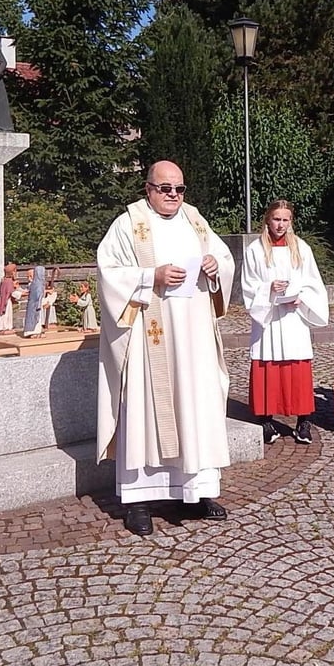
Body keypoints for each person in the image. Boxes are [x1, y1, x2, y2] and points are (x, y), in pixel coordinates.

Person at [96, 161, 235, 537]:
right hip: (149, 337)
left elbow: (224, 258)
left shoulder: (195, 220)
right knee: (144, 413)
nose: (173, 195)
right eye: (165, 188)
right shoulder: (128, 224)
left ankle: (196, 492)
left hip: (194, 339)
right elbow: (107, 271)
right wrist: (150, 277)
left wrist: (214, 265)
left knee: (196, 408)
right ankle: (138, 501)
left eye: (179, 188)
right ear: (148, 189)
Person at [241, 200, 329, 446]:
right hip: (268, 319)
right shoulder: (256, 250)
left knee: (297, 369)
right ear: (268, 219)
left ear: (291, 221)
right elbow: (248, 285)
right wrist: (269, 289)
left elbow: (314, 284)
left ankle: (303, 421)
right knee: (267, 366)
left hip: (293, 318)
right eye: (276, 219)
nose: (280, 225)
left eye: (285, 220)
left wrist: (301, 298)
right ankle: (266, 420)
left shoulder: (301, 248)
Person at [0, 262, 20, 334]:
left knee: (4, 315)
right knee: (6, 314)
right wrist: (22, 294)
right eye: (15, 271)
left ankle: (3, 328)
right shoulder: (9, 281)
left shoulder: (3, 280)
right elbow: (11, 293)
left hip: (2, 300)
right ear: (11, 272)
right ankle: (5, 328)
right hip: (6, 301)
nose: (15, 273)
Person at [23, 265, 46, 337]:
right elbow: (38, 295)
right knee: (35, 318)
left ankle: (36, 331)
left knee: (36, 319)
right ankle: (33, 332)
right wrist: (40, 303)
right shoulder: (37, 284)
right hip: (36, 304)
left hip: (34, 304)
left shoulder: (36, 283)